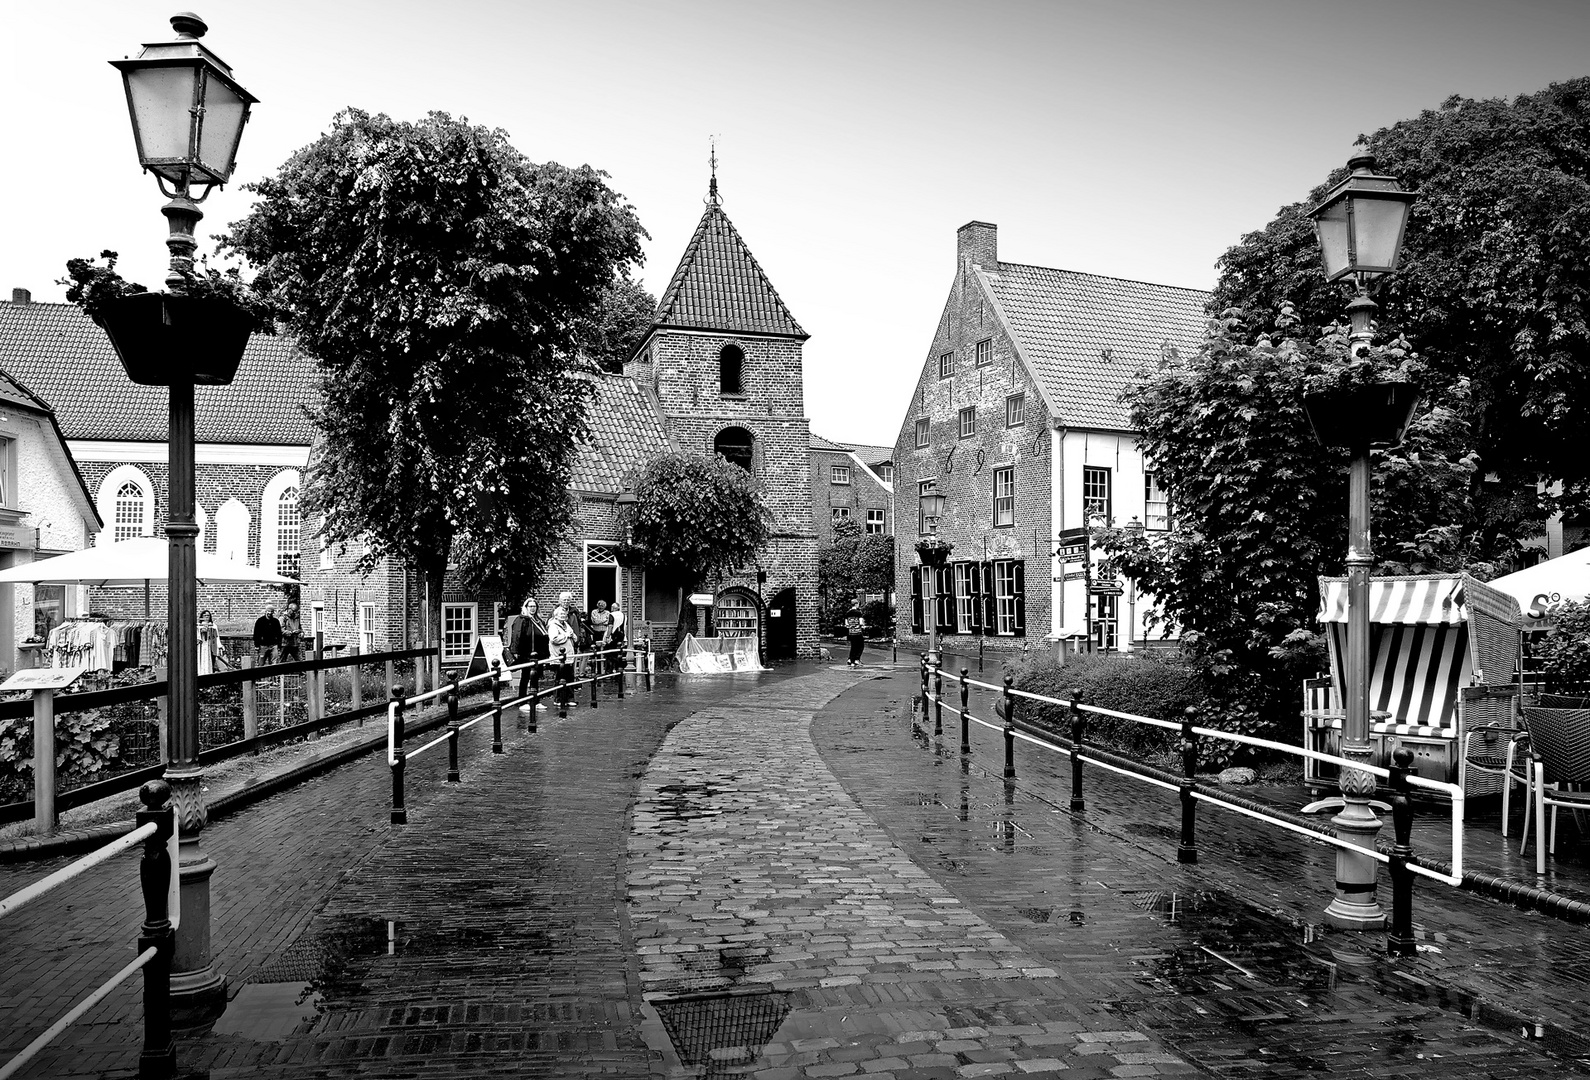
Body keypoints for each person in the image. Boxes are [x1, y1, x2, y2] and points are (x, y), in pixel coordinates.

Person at [503, 597, 550, 710]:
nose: (533, 609)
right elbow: (517, 636)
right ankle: (522, 701)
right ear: (526, 607)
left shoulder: (538, 620)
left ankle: (536, 700)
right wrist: (516, 651)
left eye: (534, 606)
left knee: (535, 677)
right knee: (525, 677)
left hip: (538, 654)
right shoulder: (522, 619)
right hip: (526, 653)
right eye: (530, 606)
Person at [547, 604, 577, 708]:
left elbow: (573, 636)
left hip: (568, 656)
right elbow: (554, 639)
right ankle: (558, 699)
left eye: (564, 614)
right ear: (555, 615)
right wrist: (566, 635)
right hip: (559, 657)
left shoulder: (566, 624)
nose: (563, 615)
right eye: (561, 614)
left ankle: (569, 698)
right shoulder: (553, 625)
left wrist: (573, 636)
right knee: (560, 678)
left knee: (569, 678)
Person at [198, 609, 222, 675]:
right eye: (205, 615)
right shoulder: (199, 625)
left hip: (211, 645)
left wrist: (219, 646)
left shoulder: (213, 625)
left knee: (211, 659)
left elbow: (217, 636)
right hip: (202, 645)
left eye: (208, 615)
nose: (206, 617)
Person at [605, 603, 626, 673]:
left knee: (609, 652)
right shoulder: (623, 615)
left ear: (613, 608)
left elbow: (610, 626)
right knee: (619, 652)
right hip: (621, 635)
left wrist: (607, 636)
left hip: (614, 635)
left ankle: (609, 670)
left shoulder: (612, 615)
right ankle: (618, 668)